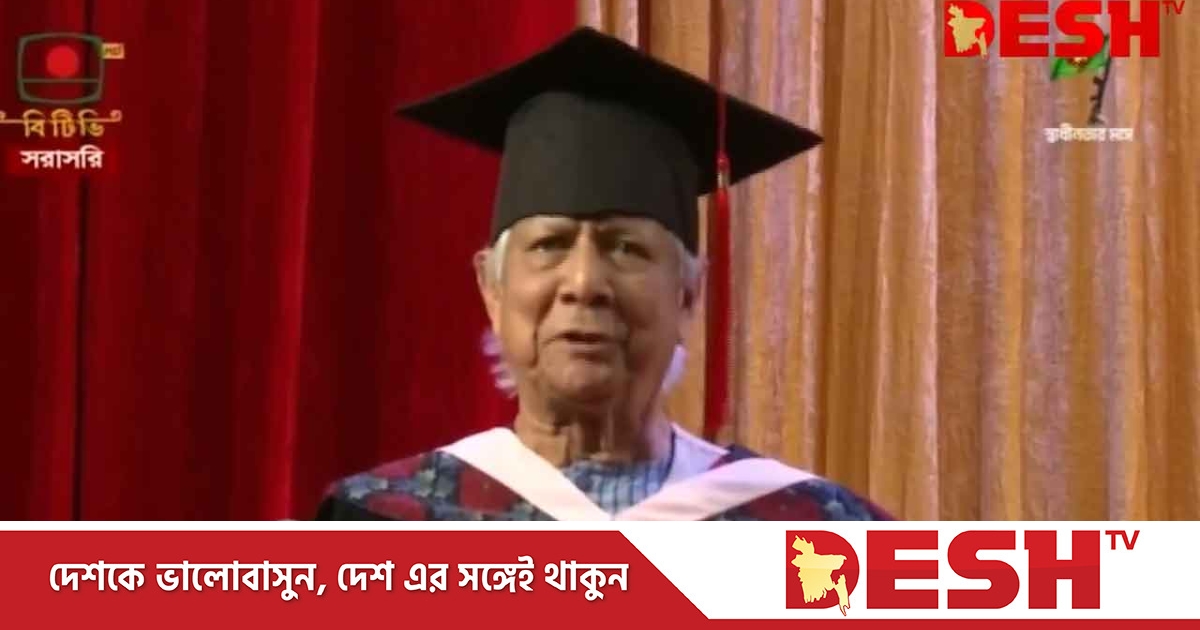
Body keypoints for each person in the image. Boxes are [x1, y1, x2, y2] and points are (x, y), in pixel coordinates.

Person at [316, 27, 893, 521]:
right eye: (550, 245)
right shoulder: (382, 527)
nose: (584, 283)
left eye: (625, 248)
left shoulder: (814, 536)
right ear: (492, 288)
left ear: (688, 294)